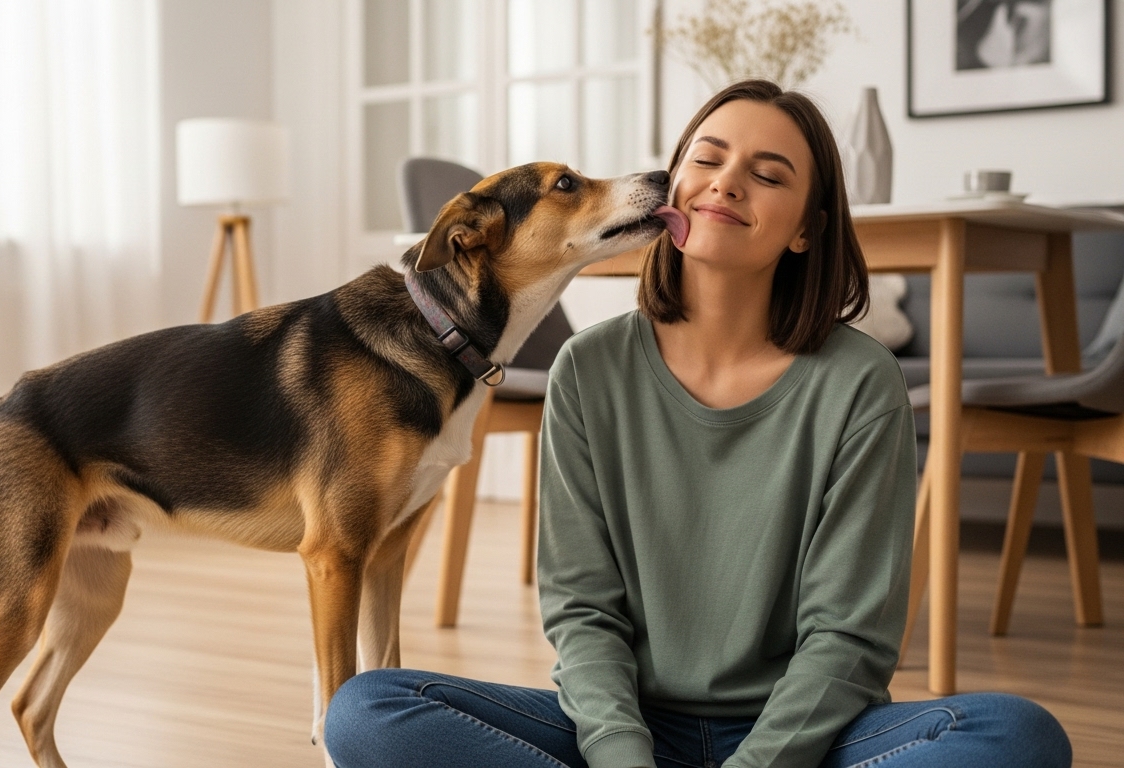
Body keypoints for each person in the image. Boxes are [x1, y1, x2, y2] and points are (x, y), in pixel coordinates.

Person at [323, 79, 1072, 768]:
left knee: (1018, 735)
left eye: (768, 175)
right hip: (621, 732)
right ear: (675, 188)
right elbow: (582, 611)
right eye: (707, 159)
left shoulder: (861, 383)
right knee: (366, 710)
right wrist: (622, 754)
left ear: (806, 230)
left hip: (806, 740)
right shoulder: (588, 369)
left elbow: (850, 638)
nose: (726, 182)